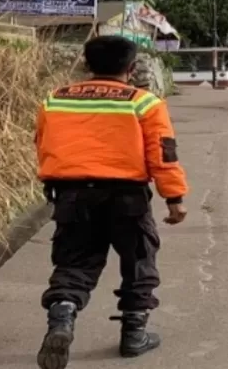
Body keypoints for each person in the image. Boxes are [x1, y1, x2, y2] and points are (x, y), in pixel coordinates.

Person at [34, 36, 189, 369]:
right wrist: (174, 197)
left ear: (87, 65)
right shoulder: (144, 102)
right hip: (126, 197)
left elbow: (43, 144)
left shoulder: (55, 100)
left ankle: (62, 318)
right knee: (138, 260)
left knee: (74, 262)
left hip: (72, 195)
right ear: (131, 69)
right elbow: (163, 153)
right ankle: (134, 335)